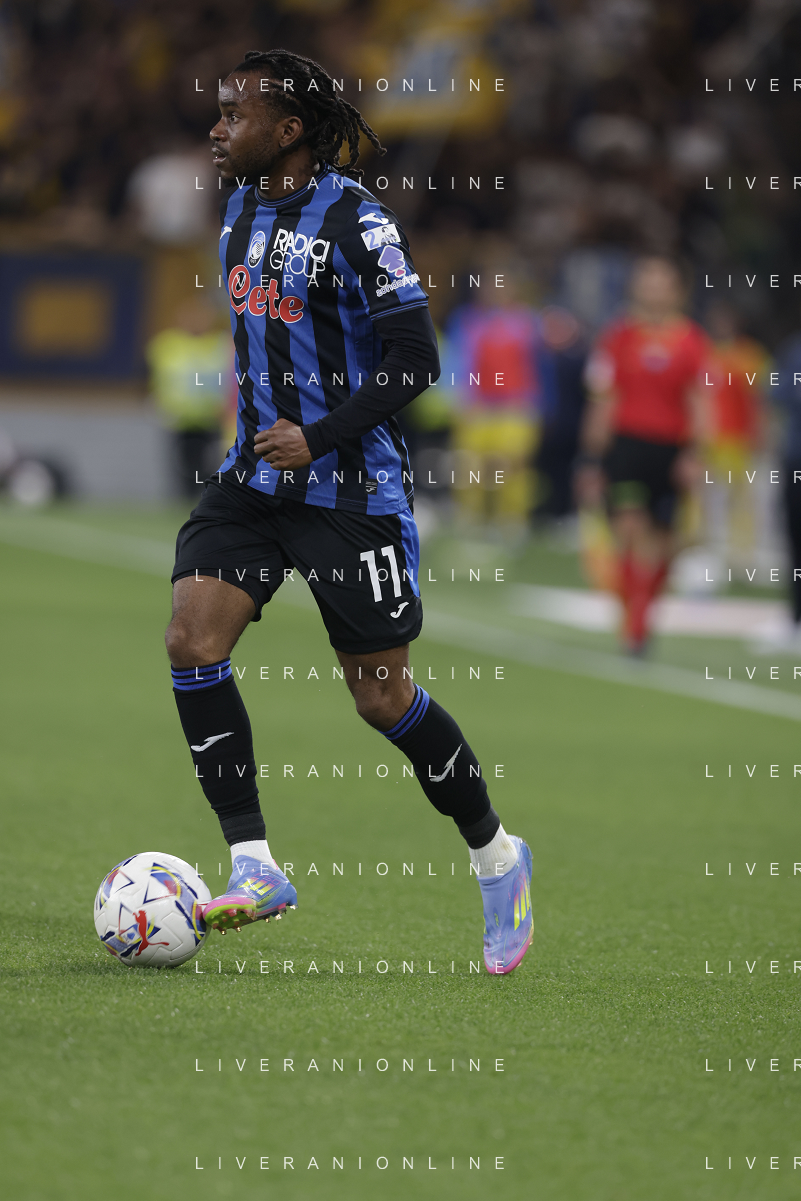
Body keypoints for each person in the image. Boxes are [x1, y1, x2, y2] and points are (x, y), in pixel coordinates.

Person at [164, 50, 532, 976]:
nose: (217, 129)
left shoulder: (359, 222)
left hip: (352, 494)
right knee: (191, 640)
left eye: (234, 115)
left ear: (288, 131)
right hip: (254, 482)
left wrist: (320, 434)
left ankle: (497, 856)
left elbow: (416, 359)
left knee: (381, 698)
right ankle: (254, 864)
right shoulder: (238, 208)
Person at [577, 257, 709, 653]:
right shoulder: (618, 336)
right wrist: (591, 459)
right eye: (646, 282)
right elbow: (604, 398)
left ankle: (642, 614)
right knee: (629, 530)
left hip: (670, 450)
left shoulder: (692, 341)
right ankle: (634, 628)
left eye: (661, 283)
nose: (653, 290)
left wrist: (695, 454)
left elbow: (700, 401)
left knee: (663, 541)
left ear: (677, 291)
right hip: (627, 446)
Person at [703, 301, 768, 568]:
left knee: (740, 495)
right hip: (709, 435)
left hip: (737, 436)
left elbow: (758, 398)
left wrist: (760, 430)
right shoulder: (706, 352)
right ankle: (707, 545)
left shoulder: (749, 356)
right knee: (707, 495)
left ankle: (741, 550)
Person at [146, 300, 230, 496]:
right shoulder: (166, 344)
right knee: (182, 466)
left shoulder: (221, 344)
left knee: (211, 464)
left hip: (212, 416)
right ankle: (184, 498)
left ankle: (208, 498)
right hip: (178, 418)